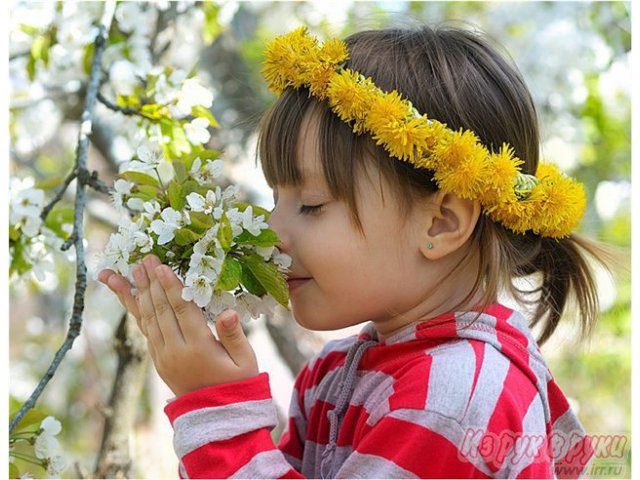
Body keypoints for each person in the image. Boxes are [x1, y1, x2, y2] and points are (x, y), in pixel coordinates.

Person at [98, 24, 613, 478]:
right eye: (277, 199)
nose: (272, 231)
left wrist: (218, 411)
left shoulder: (456, 397)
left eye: (313, 205)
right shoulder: (336, 371)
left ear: (441, 222)